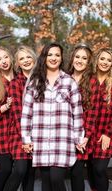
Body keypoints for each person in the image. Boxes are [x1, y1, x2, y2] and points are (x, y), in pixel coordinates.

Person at [21, 42, 84, 191]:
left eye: (57, 55)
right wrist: (26, 138)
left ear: (62, 58)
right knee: (46, 183)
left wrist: (79, 138)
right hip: (41, 141)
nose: (53, 58)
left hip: (62, 142)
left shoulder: (69, 82)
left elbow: (78, 113)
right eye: (50, 54)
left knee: (56, 178)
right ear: (44, 57)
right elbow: (26, 113)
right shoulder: (35, 82)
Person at [0, 47, 27, 191]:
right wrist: (4, 107)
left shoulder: (21, 77)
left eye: (5, 57)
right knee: (6, 169)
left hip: (18, 131)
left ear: (11, 58)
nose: (3, 62)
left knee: (21, 170)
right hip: (1, 131)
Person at [86, 48, 112, 191]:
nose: (105, 62)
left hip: (105, 133)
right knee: (90, 167)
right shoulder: (89, 79)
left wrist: (108, 133)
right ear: (97, 60)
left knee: (100, 169)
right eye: (102, 59)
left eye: (109, 60)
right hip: (88, 132)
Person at [5, 45, 37, 191]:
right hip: (20, 133)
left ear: (34, 58)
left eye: (28, 57)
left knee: (31, 173)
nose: (26, 60)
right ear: (17, 63)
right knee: (20, 170)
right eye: (21, 58)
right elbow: (17, 113)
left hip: (38, 132)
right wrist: (25, 138)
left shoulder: (40, 80)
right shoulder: (15, 83)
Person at [66, 43, 94, 191]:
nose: (80, 60)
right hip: (63, 133)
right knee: (59, 173)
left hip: (81, 135)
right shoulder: (63, 78)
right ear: (72, 58)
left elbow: (92, 112)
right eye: (77, 57)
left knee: (77, 173)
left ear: (88, 62)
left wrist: (86, 136)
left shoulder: (92, 82)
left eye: (84, 58)